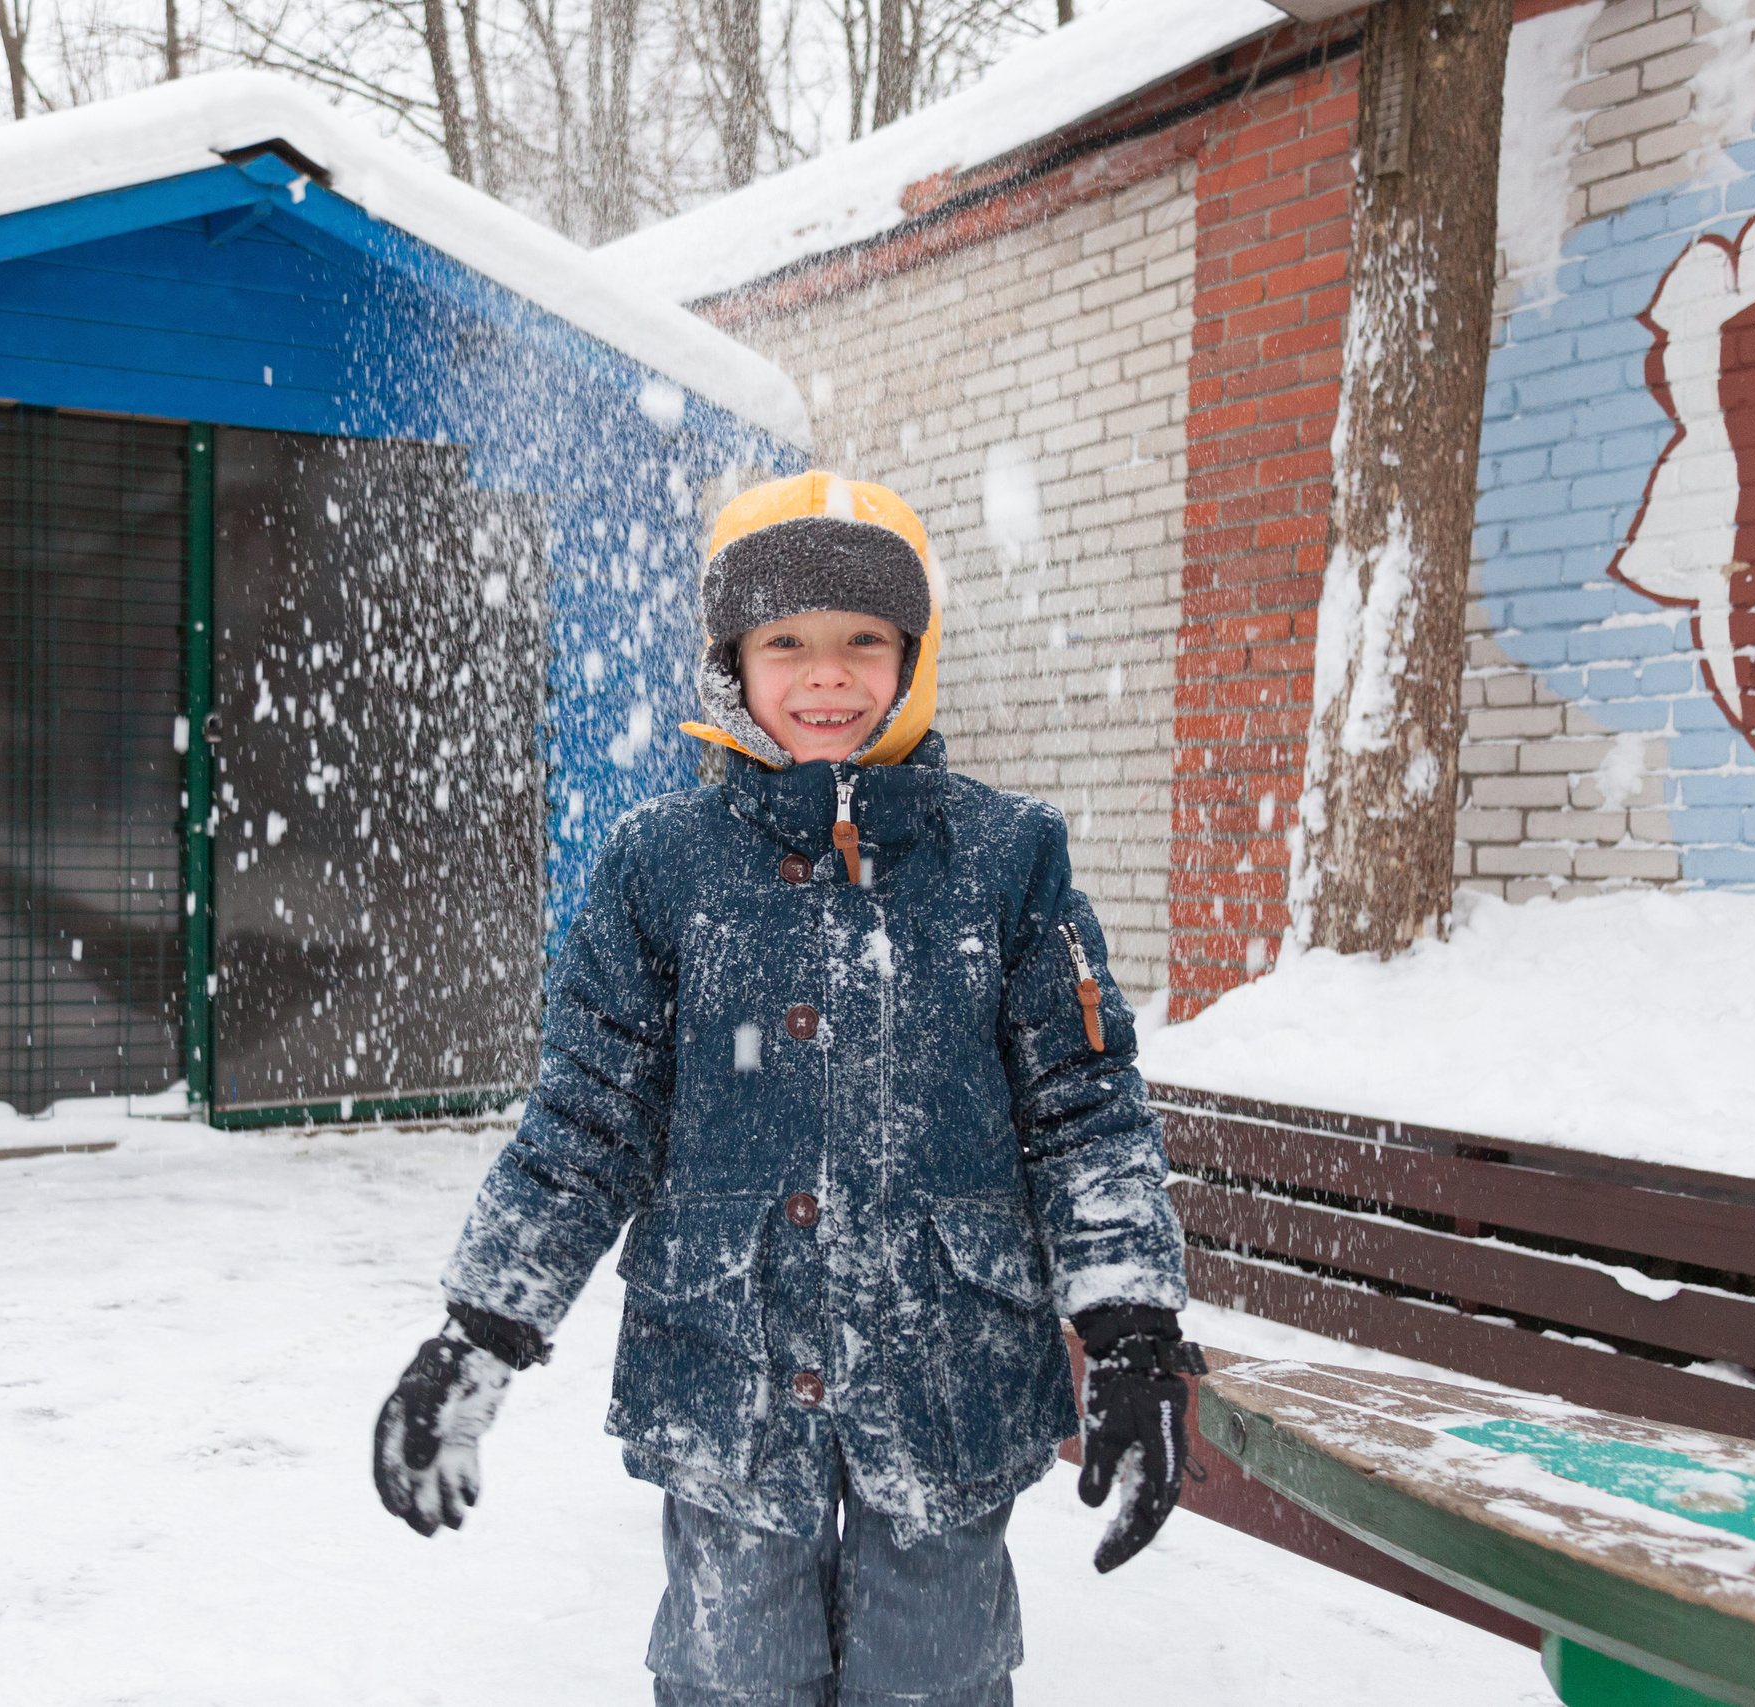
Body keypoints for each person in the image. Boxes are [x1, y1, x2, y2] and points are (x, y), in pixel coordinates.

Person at [373, 471, 1201, 1705]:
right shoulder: (663, 866)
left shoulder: (1006, 858)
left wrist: (1131, 1330)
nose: (826, 677)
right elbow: (586, 1126)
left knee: (934, 1675)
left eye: (863, 641)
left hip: (947, 1375)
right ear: (732, 664)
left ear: (910, 657)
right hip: (728, 1369)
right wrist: (480, 1330)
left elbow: (1084, 1116)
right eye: (786, 644)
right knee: (734, 1678)